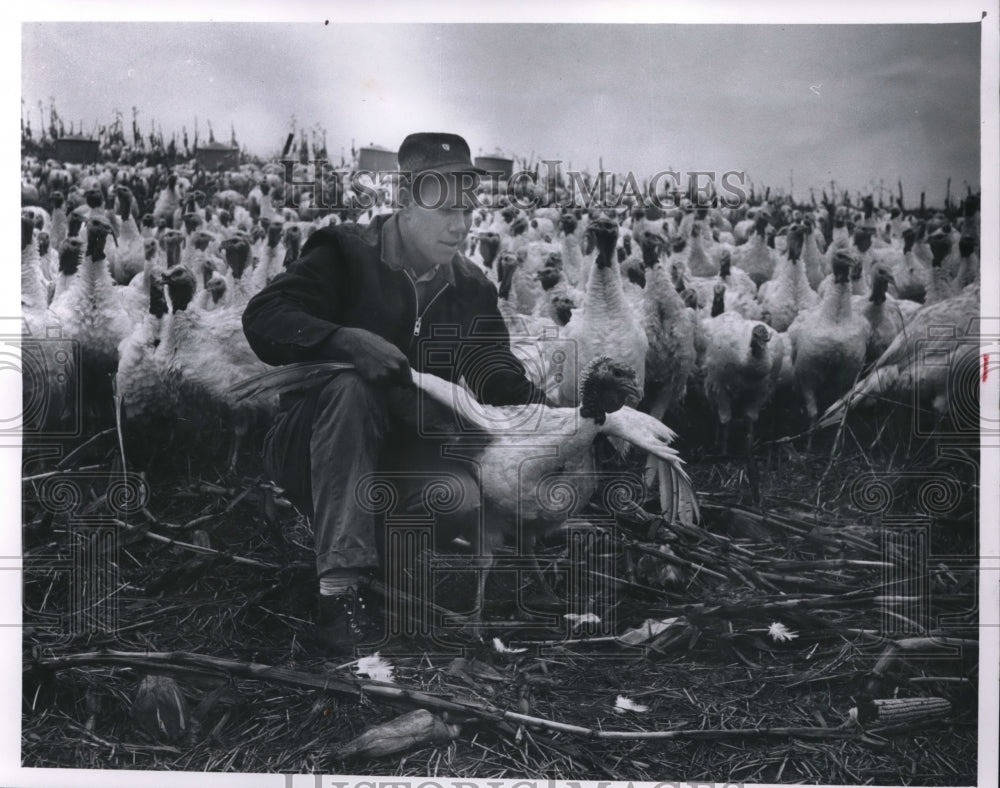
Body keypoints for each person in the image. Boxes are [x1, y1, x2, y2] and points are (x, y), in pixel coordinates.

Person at [242, 132, 549, 655]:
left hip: (402, 459)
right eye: (445, 210)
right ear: (406, 200)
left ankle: (381, 552)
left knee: (463, 497)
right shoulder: (345, 254)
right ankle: (339, 595)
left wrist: (568, 415)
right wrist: (344, 339)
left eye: (467, 211)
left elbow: (496, 373)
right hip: (313, 450)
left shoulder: (471, 289)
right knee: (354, 387)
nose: (460, 225)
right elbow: (264, 318)